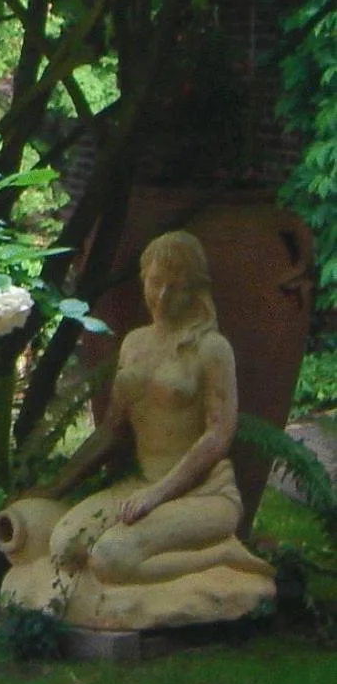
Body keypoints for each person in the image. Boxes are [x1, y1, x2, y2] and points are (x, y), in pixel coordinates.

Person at [44, 230, 272, 585]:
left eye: (175, 287)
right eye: (154, 283)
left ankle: (222, 556)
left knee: (110, 559)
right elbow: (110, 431)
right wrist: (55, 487)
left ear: (194, 291)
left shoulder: (212, 349)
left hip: (203, 494)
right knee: (62, 545)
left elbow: (218, 436)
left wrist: (157, 494)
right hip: (139, 486)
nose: (161, 297)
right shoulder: (134, 344)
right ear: (143, 279)